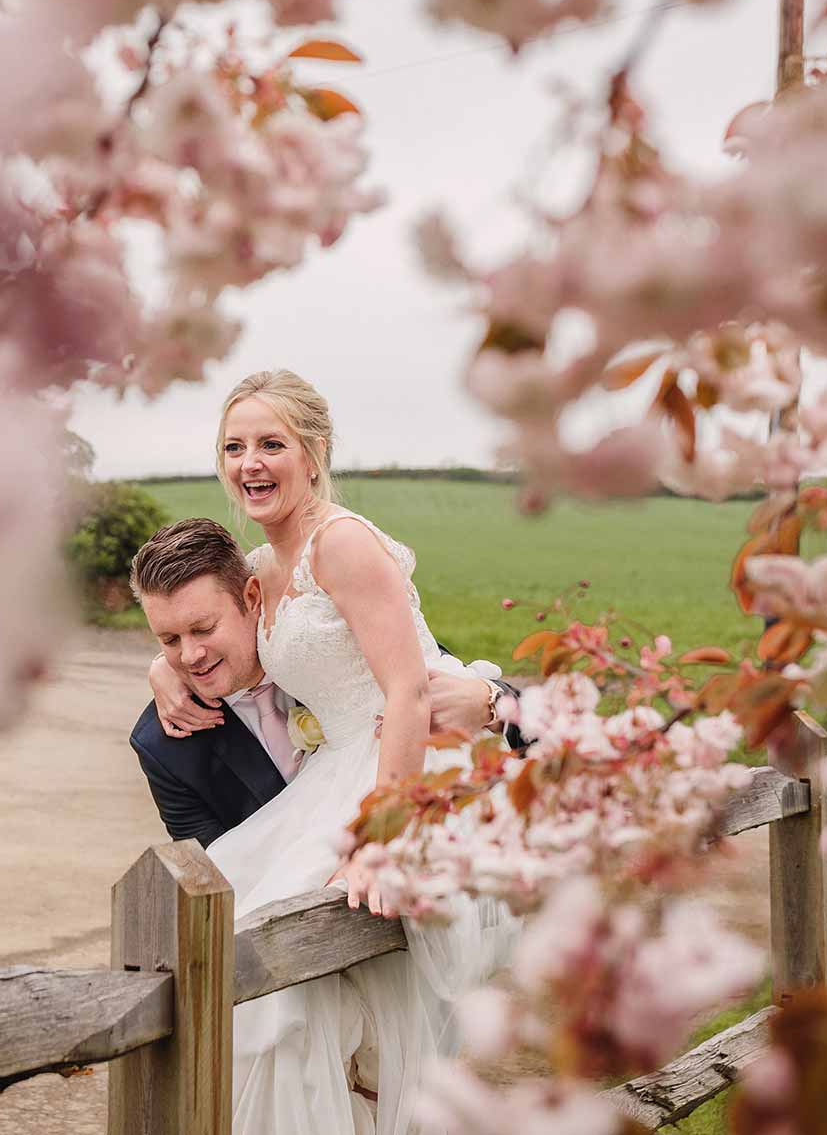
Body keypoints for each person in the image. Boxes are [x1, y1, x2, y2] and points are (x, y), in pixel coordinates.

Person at [170, 368, 519, 1135]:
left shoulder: (345, 544)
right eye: (234, 447)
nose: (249, 463)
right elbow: (221, 648)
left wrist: (381, 840)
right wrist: (163, 666)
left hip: (406, 768)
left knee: (283, 975)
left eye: (271, 443)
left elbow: (408, 693)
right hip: (337, 773)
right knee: (245, 957)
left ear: (315, 451)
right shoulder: (260, 570)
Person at [127, 515, 511, 846]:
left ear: (251, 598)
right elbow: (220, 886)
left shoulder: (328, 643)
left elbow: (448, 678)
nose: (190, 656)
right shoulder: (165, 748)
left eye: (204, 628)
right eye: (170, 640)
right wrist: (163, 664)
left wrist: (489, 702)